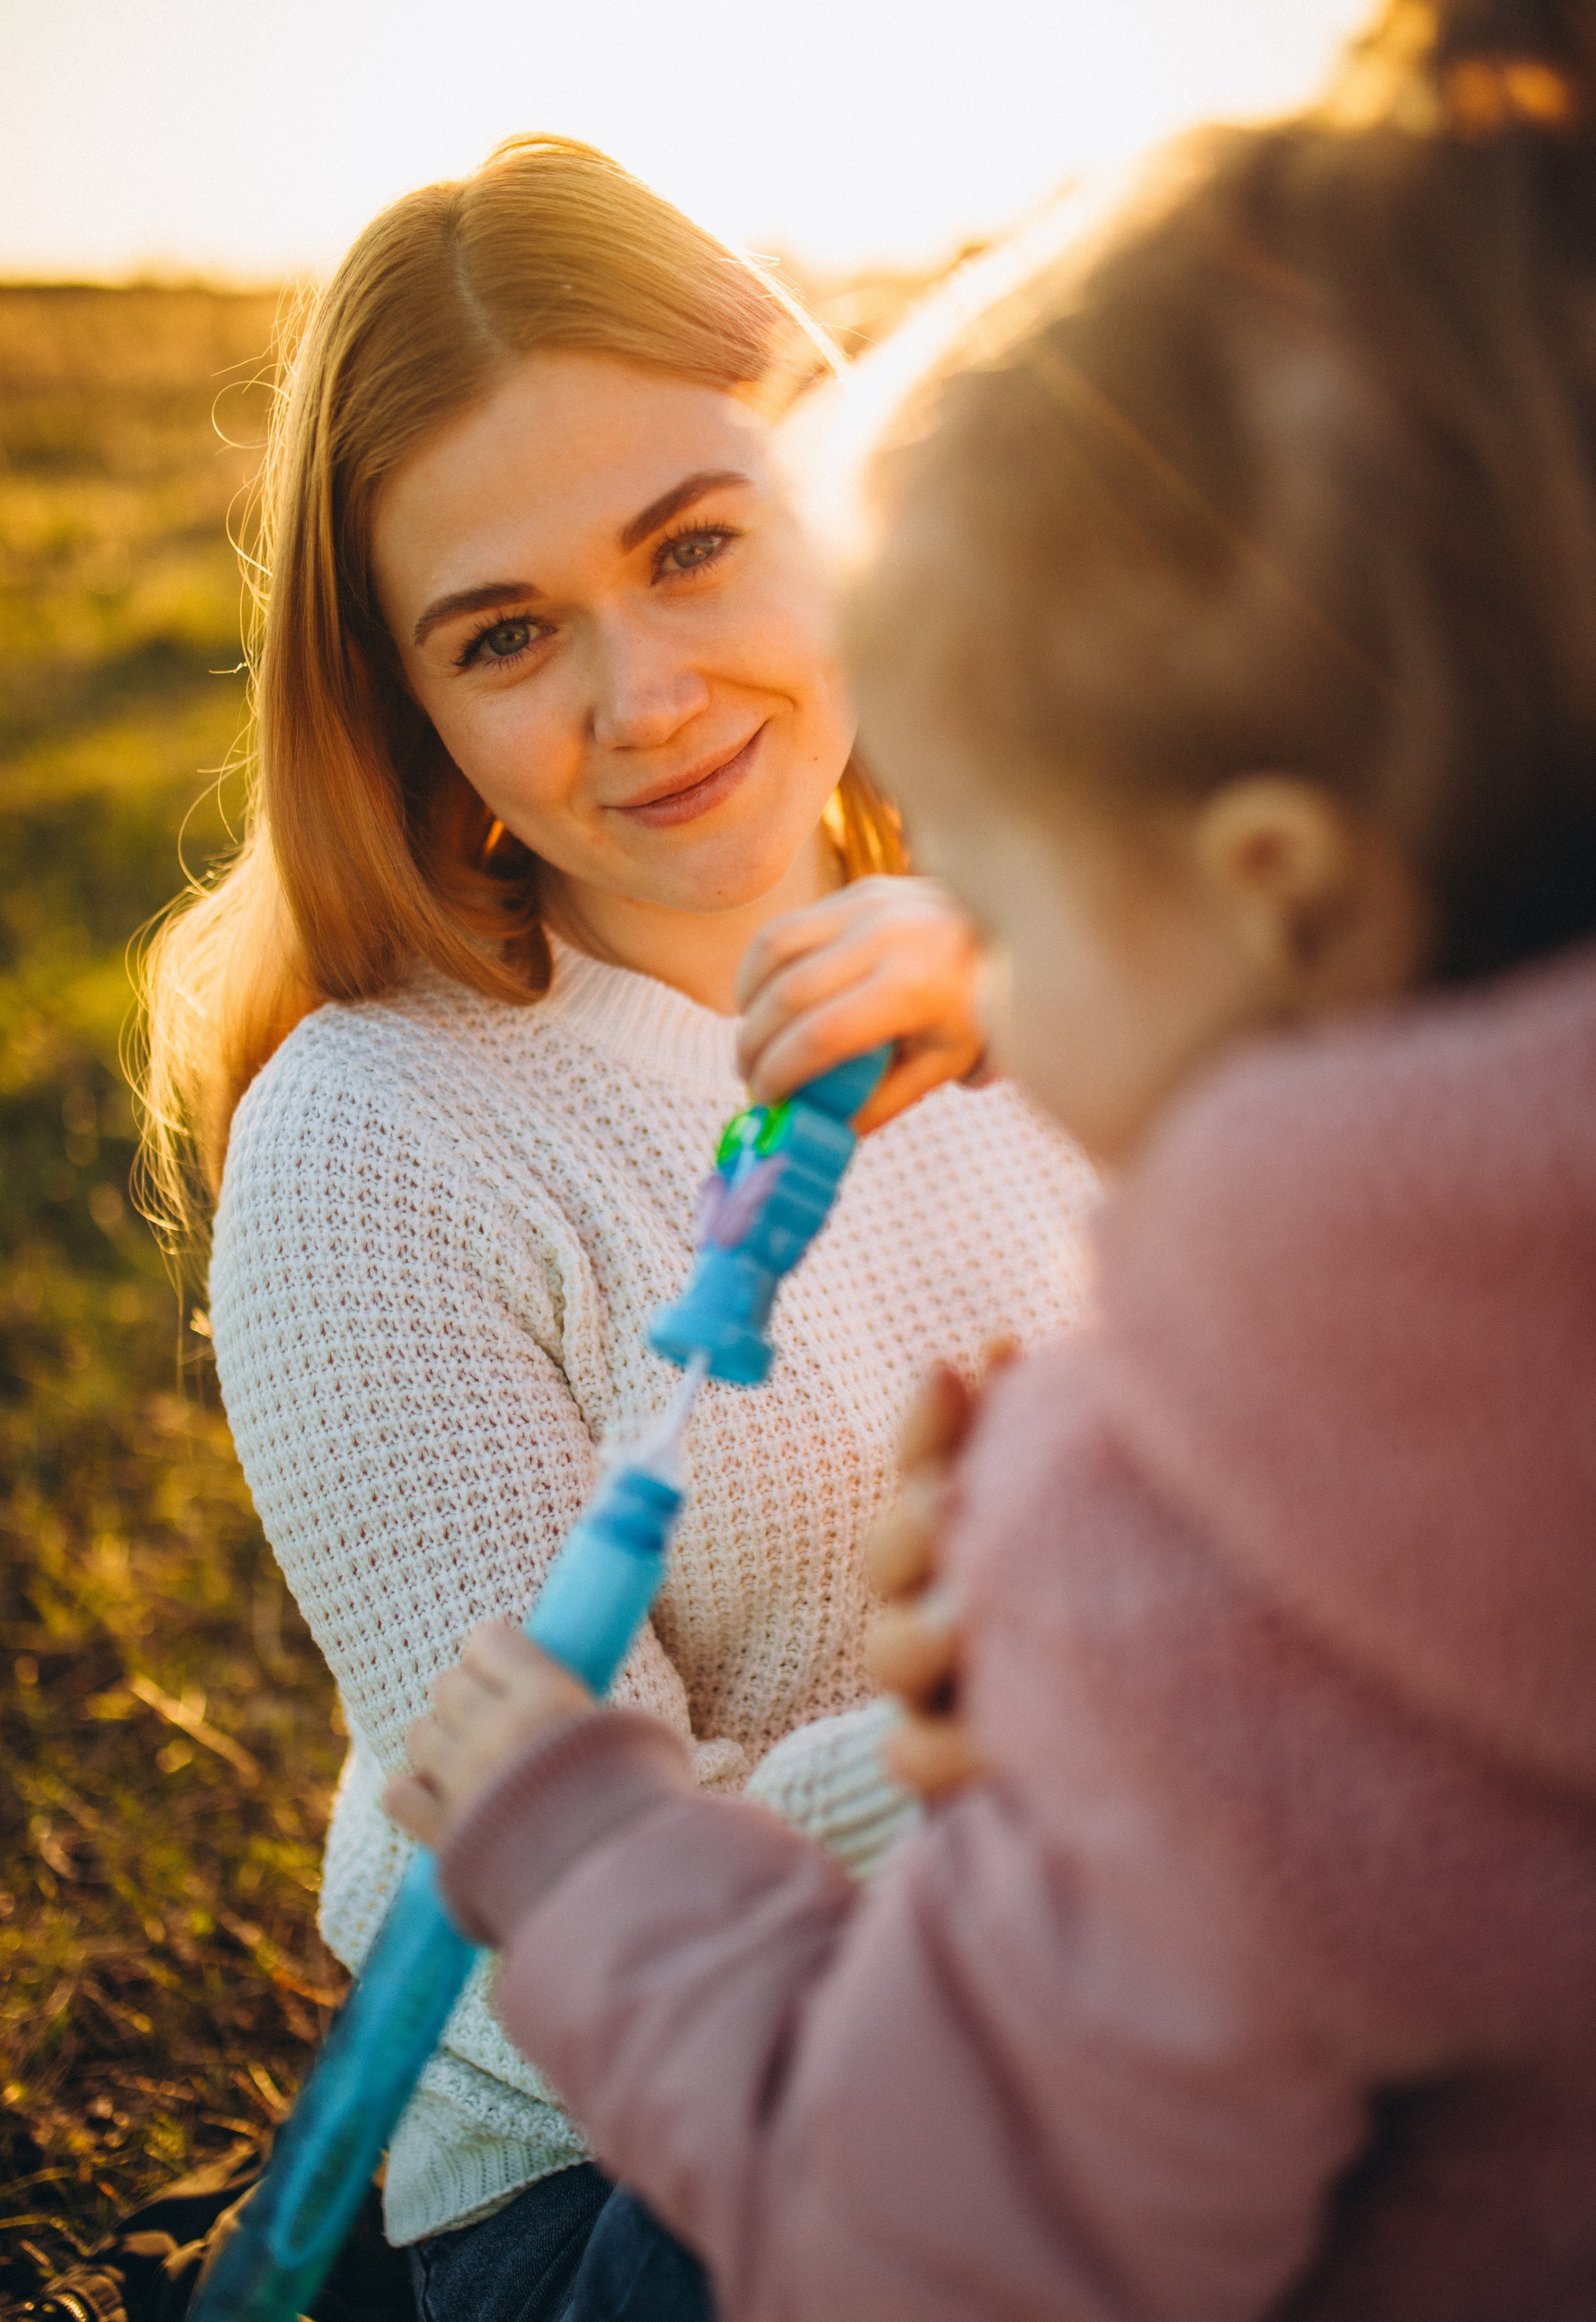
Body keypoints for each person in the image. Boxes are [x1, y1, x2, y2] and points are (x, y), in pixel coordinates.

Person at [385, 5, 1596, 2315]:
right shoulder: (395, 1123)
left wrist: (1034, 1652)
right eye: (514, 628)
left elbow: (914, 2256)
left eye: (1011, 914)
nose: (983, 983)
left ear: (1282, 886)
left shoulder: (1175, 1587)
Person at [139, 135, 1097, 2313]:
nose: (644, 696)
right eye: (506, 633)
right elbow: (558, 1886)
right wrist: (1086, 1717)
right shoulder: (374, 1141)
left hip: (1144, 1959)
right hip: (629, 2152)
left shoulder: (1056, 940)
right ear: (417, 716)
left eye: (693, 546)